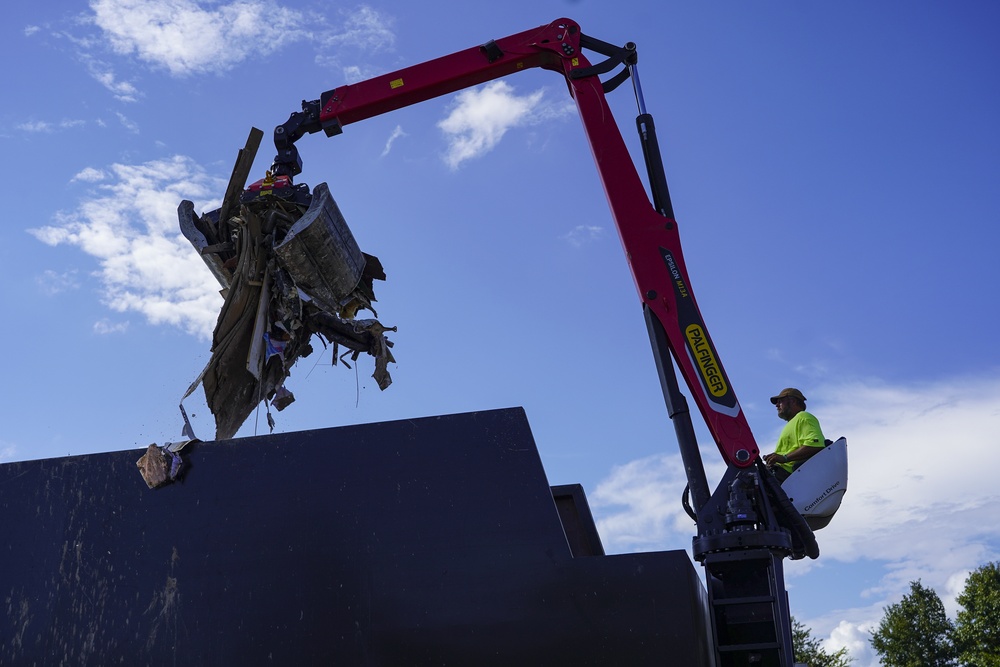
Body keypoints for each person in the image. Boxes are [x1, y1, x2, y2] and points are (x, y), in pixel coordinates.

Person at [763, 388, 825, 482]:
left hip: (785, 476)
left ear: (792, 401)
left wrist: (784, 458)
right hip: (777, 474)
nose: (776, 405)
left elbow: (815, 445)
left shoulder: (803, 417)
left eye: (780, 401)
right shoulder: (792, 422)